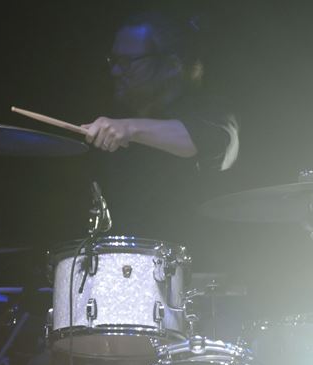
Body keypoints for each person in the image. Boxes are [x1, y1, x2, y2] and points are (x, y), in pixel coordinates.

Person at [80, 10, 239, 243]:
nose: (115, 71)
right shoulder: (116, 114)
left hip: (199, 263)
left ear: (171, 65)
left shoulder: (209, 106)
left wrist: (130, 129)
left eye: (127, 62)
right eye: (113, 61)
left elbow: (214, 141)